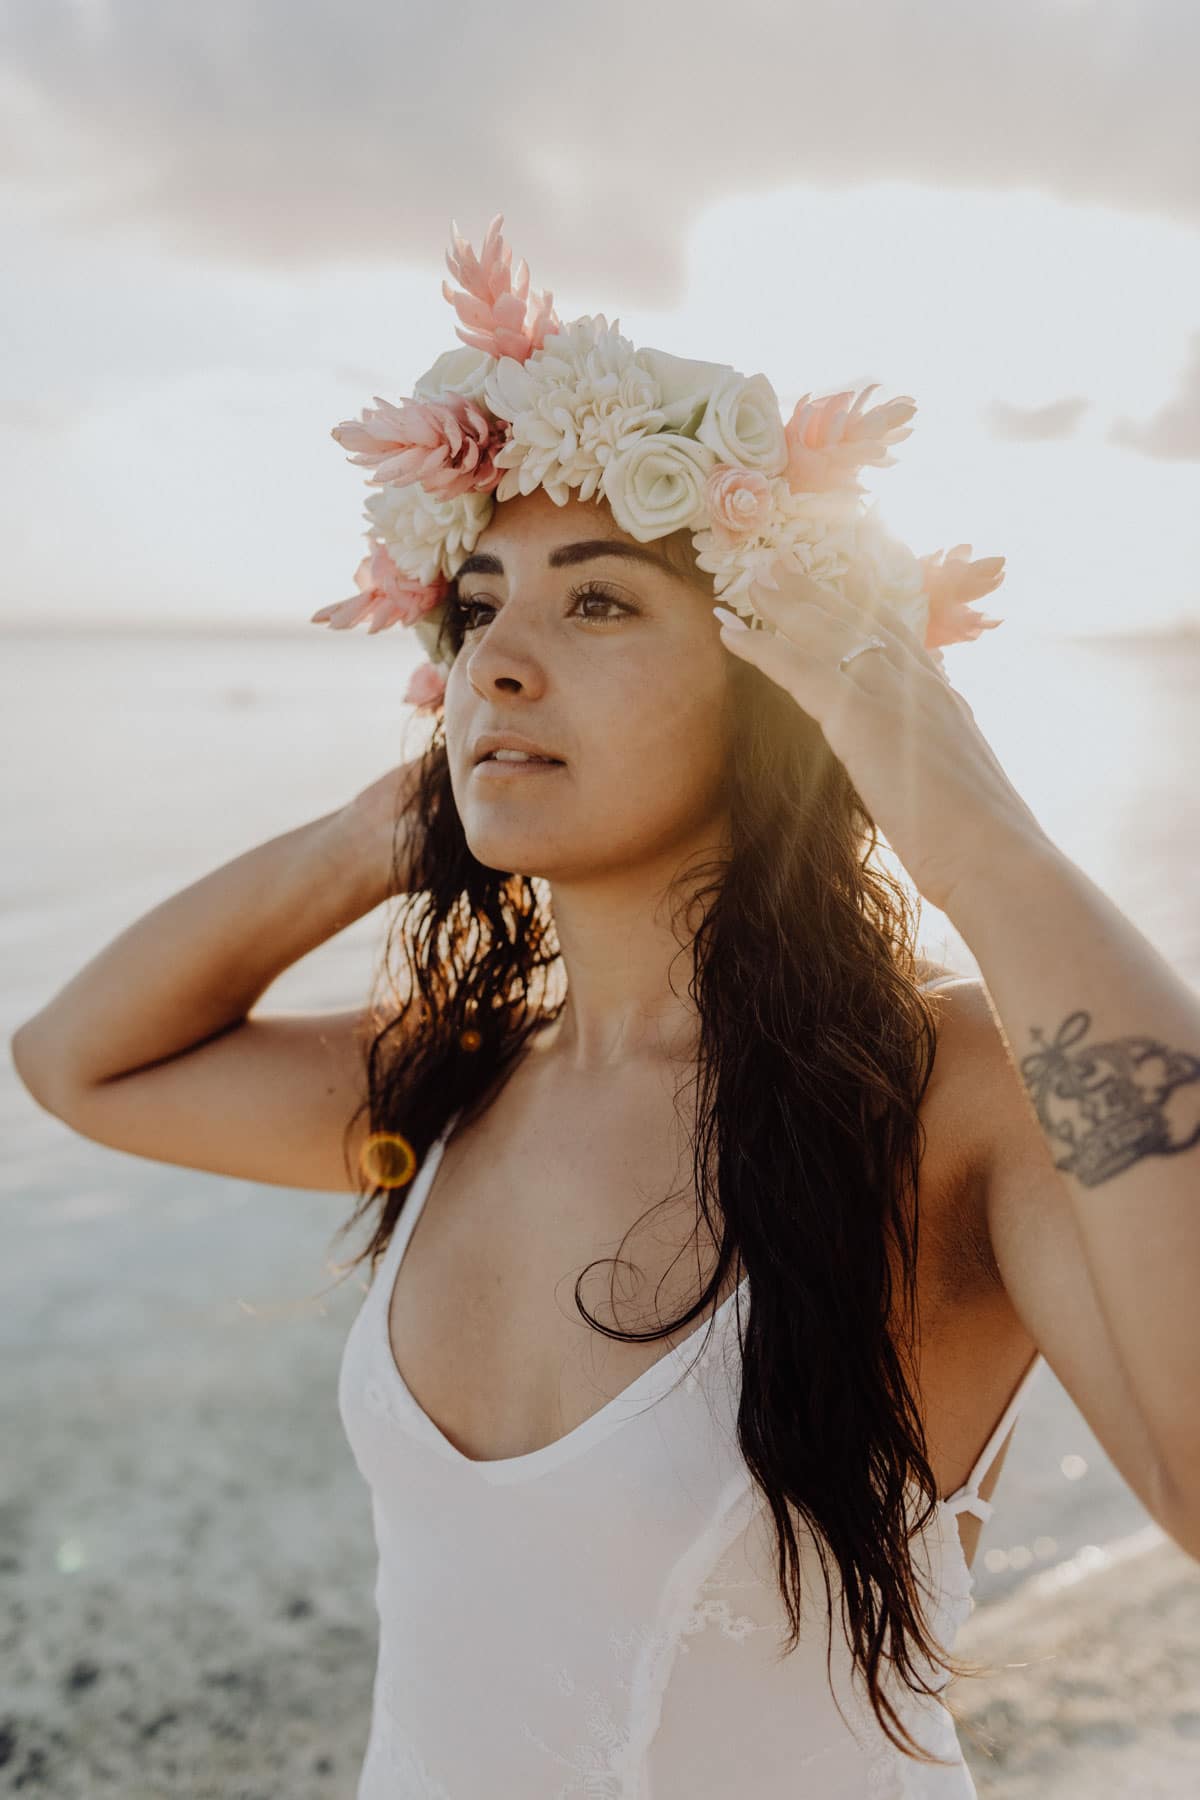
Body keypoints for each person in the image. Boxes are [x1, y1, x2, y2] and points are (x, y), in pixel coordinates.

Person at [13, 218, 1200, 1797]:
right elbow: (77, 1063)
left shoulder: (947, 1095)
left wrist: (972, 830)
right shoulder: (459, 1086)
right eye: (476, 610)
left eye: (598, 606)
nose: (497, 664)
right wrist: (388, 827)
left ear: (779, 689)